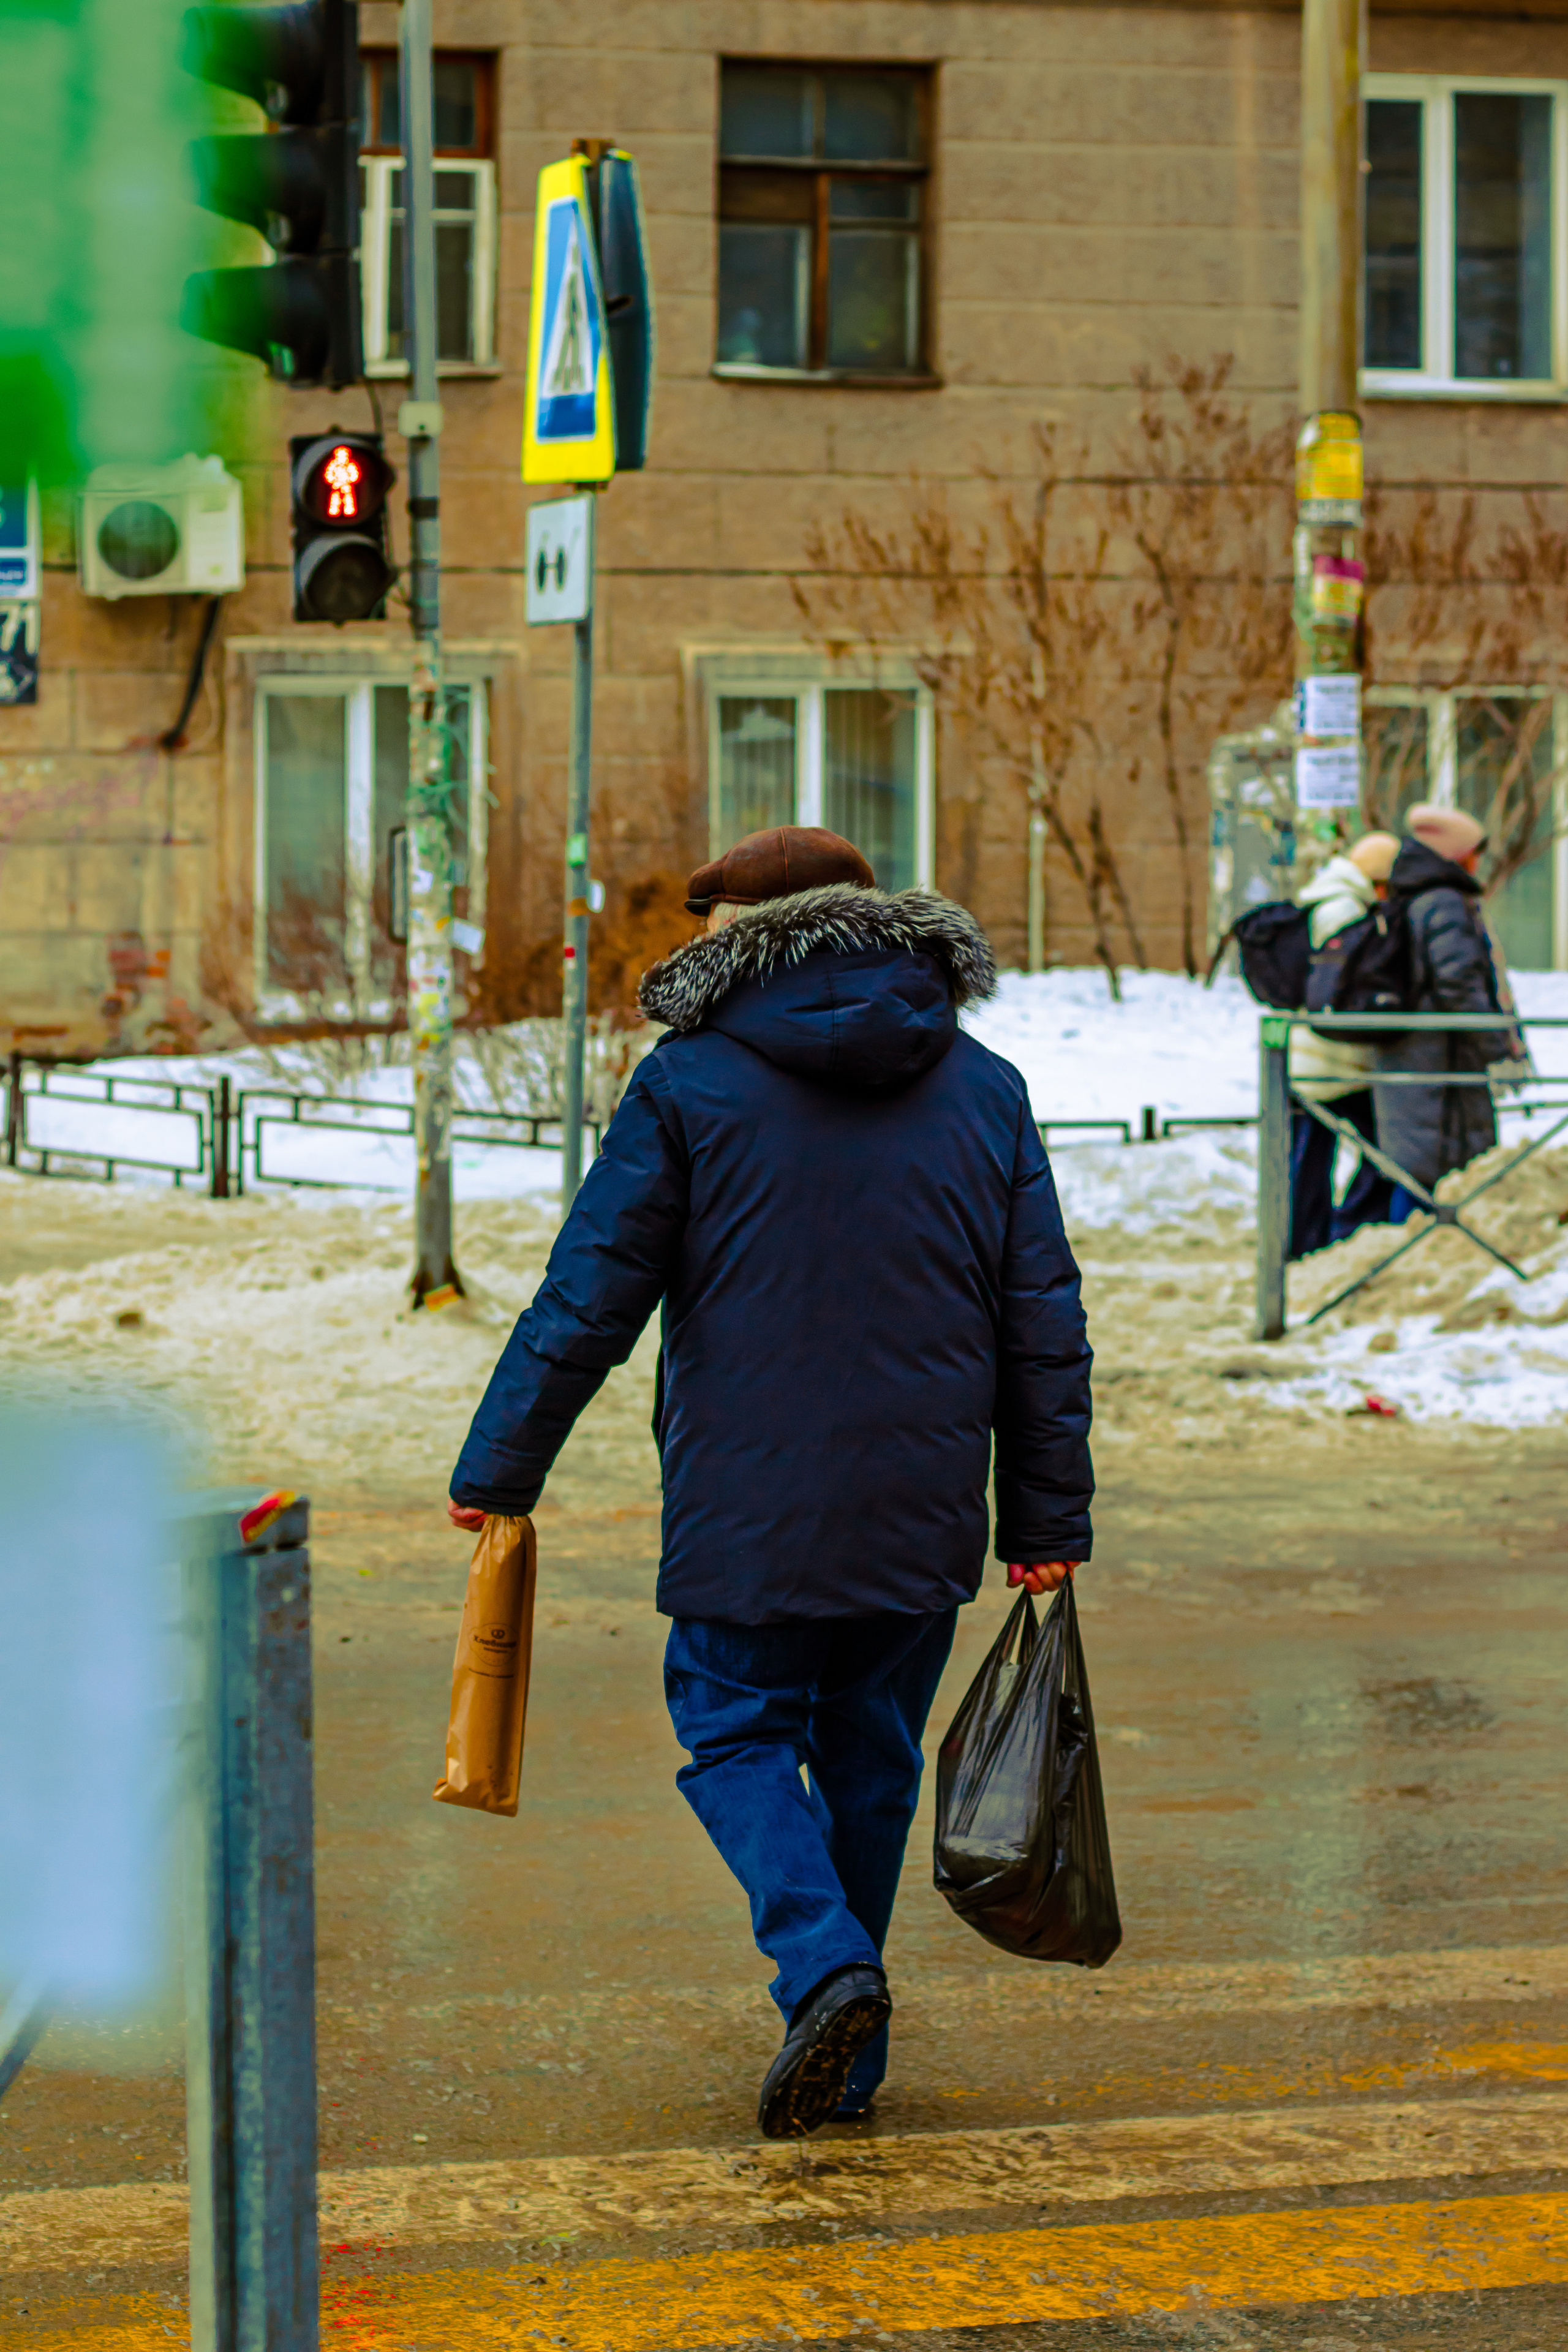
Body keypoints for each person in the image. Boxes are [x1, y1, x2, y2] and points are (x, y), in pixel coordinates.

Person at [447, 825, 1093, 2138]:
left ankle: (824, 1969)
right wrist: (1043, 1516)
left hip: (747, 1502)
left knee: (734, 1729)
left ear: (731, 937)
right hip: (922, 1511)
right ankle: (846, 2061)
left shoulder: (688, 1084)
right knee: (868, 1754)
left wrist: (500, 1467)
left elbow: (590, 1294)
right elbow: (1041, 1319)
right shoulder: (983, 1087)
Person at [1375, 804, 1513, 1221]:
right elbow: (1460, 984)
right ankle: (1410, 1259)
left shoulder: (1412, 894)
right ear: (1455, 855)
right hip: (1438, 1059)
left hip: (1417, 1055)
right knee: (1431, 1171)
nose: (1476, 862)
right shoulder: (1444, 903)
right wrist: (1495, 1044)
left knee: (1418, 1167)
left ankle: (1407, 1251)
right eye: (1472, 852)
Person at [1286, 832, 1400, 1258]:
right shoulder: (1345, 910)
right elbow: (1345, 989)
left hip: (1310, 1054)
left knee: (1309, 1158)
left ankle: (1303, 1243)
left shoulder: (1321, 898)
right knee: (1381, 1148)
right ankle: (1346, 1232)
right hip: (1337, 1058)